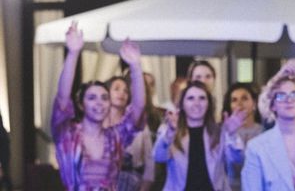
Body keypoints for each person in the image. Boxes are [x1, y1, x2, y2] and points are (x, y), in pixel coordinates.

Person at [52, 21, 145, 191]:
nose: (99, 102)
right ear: (81, 104)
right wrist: (73, 53)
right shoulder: (68, 133)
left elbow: (138, 109)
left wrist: (136, 66)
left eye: (104, 98)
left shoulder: (114, 137)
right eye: (92, 98)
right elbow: (62, 99)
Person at [153, 81, 230, 191]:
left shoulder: (219, 131)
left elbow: (236, 159)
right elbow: (159, 157)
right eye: (190, 98)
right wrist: (170, 133)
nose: (196, 103)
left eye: (202, 98)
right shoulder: (168, 129)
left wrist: (232, 134)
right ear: (182, 104)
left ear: (209, 103)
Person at [105, 76, 155, 191]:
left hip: (132, 183)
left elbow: (149, 163)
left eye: (125, 91)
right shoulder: (97, 125)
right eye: (116, 89)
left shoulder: (138, 125)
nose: (121, 93)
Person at [221, 83, 263, 191]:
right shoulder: (223, 133)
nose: (239, 103)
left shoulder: (265, 132)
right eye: (234, 100)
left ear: (254, 103)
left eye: (244, 98)